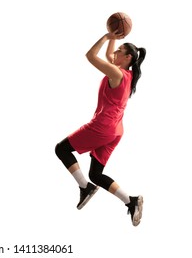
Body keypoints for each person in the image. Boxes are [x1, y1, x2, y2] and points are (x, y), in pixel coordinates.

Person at [54, 30, 146, 226]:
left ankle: (85, 188)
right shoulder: (127, 74)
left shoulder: (116, 72)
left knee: (61, 149)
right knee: (96, 174)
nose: (114, 54)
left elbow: (91, 56)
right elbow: (107, 56)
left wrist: (106, 36)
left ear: (128, 57)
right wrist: (114, 37)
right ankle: (131, 201)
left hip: (102, 127)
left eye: (119, 51)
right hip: (116, 130)